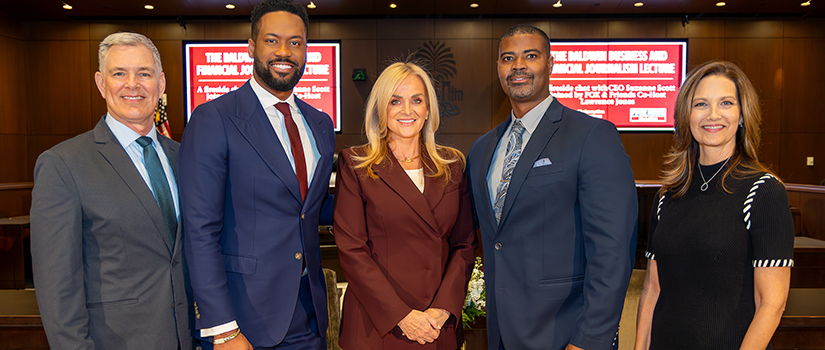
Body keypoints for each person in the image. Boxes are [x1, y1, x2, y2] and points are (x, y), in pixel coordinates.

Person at [466, 24, 638, 350]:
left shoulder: (592, 136)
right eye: (508, 58)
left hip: (565, 335)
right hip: (502, 334)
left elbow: (612, 250)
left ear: (550, 63)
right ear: (498, 68)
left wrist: (590, 340)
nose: (518, 66)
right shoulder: (482, 149)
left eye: (530, 56)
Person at [178, 0, 335, 348]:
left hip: (308, 314)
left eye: (295, 42)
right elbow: (199, 230)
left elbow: (311, 206)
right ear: (251, 46)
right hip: (243, 319)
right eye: (272, 40)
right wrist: (223, 329)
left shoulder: (320, 124)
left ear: (306, 50)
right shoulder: (214, 119)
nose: (284, 51)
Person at [30, 32, 193, 349]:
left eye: (144, 73)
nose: (133, 84)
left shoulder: (183, 157)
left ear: (161, 83)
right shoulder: (63, 164)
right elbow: (57, 284)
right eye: (119, 73)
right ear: (101, 83)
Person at [634, 61, 794, 350]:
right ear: (687, 115)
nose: (713, 115)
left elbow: (772, 304)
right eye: (701, 104)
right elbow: (652, 289)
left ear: (742, 115)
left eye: (726, 103)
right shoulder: (666, 196)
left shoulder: (764, 191)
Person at [333, 61, 478, 349]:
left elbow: (464, 245)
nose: (407, 110)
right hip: (379, 326)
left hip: (437, 325)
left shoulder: (452, 165)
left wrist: (443, 309)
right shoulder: (356, 164)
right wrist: (402, 316)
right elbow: (352, 251)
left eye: (417, 100)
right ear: (381, 109)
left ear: (428, 109)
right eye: (395, 101)